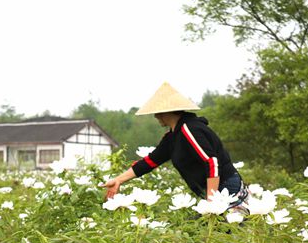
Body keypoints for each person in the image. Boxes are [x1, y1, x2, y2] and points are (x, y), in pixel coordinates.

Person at [102, 82, 249, 213]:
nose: (155, 116)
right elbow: (150, 162)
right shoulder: (173, 137)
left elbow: (212, 162)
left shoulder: (189, 129)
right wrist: (118, 180)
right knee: (214, 238)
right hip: (217, 190)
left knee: (225, 238)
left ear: (166, 112)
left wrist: (211, 200)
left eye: (157, 112)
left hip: (226, 188)